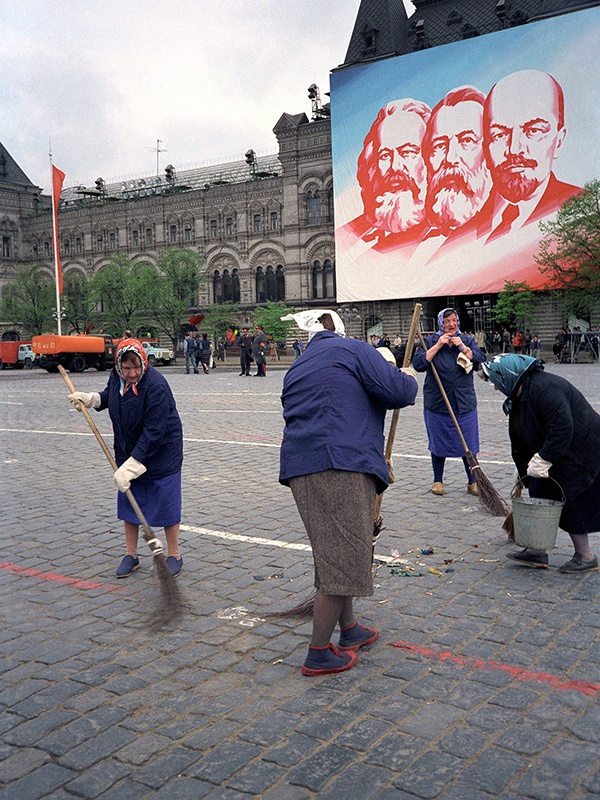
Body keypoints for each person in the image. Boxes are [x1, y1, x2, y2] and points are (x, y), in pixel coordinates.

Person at [279, 312, 418, 676]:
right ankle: (319, 651)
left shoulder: (297, 366)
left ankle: (350, 628)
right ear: (339, 332)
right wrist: (407, 377)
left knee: (337, 552)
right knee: (343, 556)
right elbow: (398, 392)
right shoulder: (352, 349)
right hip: (339, 465)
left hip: (302, 469)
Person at [68, 338, 184, 578]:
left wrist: (133, 465)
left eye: (136, 368)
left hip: (162, 452)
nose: (132, 374)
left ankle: (174, 555)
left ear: (144, 363)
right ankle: (131, 555)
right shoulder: (116, 377)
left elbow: (154, 432)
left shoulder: (156, 386)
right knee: (130, 502)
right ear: (119, 366)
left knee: (166, 504)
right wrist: (92, 400)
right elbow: (111, 395)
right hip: (128, 448)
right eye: (127, 368)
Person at [480, 353, 600, 573]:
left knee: (571, 498)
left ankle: (586, 556)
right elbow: (523, 435)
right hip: (557, 451)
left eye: (496, 382)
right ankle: (537, 551)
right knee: (540, 492)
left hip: (580, 451)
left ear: (508, 376)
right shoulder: (519, 393)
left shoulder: (544, 390)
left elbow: (562, 427)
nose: (496, 389)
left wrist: (544, 458)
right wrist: (525, 467)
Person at [337, 98, 431, 252]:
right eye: (385, 155)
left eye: (407, 152)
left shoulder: (457, 237)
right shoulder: (346, 239)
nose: (395, 166)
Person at [412, 308, 485, 496]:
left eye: (454, 320)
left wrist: (464, 348)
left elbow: (480, 361)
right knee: (438, 442)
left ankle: (472, 481)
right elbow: (419, 364)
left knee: (467, 443)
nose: (451, 324)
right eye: (447, 321)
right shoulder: (429, 342)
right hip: (438, 402)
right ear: (440, 324)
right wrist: (437, 346)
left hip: (464, 401)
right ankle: (438, 480)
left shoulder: (467, 340)